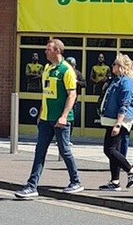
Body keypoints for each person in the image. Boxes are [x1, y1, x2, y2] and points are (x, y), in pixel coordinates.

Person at [15, 38, 84, 198]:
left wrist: (64, 116)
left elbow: (72, 94)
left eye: (48, 49)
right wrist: (41, 114)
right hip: (46, 119)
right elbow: (46, 94)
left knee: (64, 151)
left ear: (57, 51)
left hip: (60, 119)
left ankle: (76, 181)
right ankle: (32, 186)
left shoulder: (66, 70)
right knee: (39, 151)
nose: (45, 52)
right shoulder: (47, 68)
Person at [97, 54, 133, 192]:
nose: (112, 66)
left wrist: (118, 123)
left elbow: (125, 103)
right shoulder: (117, 79)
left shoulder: (127, 81)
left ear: (121, 66)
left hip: (119, 120)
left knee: (109, 150)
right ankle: (115, 181)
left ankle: (131, 170)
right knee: (113, 150)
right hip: (111, 119)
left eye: (114, 64)